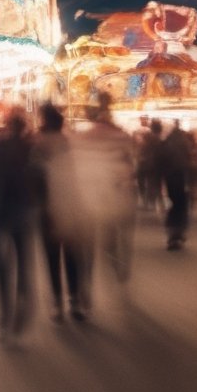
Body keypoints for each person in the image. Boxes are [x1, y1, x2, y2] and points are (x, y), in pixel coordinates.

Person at [78, 93, 138, 307]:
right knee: (119, 239)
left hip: (93, 198)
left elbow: (81, 168)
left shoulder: (86, 137)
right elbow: (130, 165)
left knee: (89, 245)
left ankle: (84, 289)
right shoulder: (121, 135)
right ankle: (119, 270)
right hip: (119, 195)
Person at [34, 105, 89, 322]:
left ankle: (57, 302)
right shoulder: (70, 143)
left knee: (51, 257)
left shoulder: (37, 146)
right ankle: (74, 300)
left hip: (47, 210)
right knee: (72, 255)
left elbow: (33, 179)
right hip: (71, 207)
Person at [0, 109, 37, 343]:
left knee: (1, 267)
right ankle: (23, 306)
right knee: (23, 262)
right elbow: (38, 182)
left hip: (0, 212)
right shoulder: (30, 148)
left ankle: (4, 314)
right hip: (23, 211)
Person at [160, 118, 194, 250]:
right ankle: (178, 233)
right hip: (182, 177)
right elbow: (189, 161)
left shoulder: (167, 142)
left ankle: (172, 234)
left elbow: (161, 160)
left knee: (174, 204)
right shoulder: (184, 143)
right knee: (181, 205)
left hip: (170, 178)